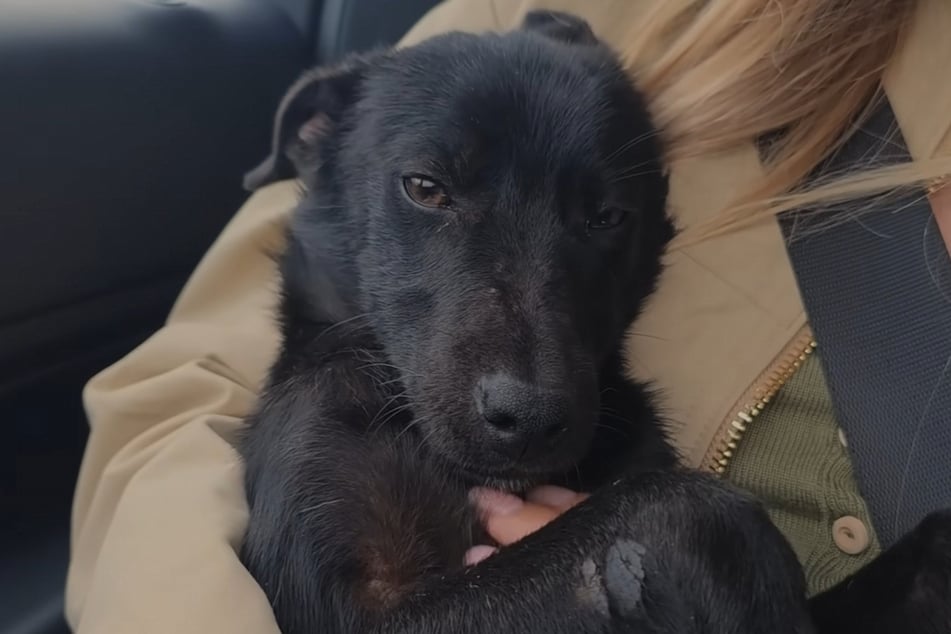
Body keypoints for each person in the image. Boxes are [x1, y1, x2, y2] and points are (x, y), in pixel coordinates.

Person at [65, 0, 951, 632]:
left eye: (601, 218)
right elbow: (179, 398)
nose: (526, 379)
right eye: (429, 189)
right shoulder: (534, 32)